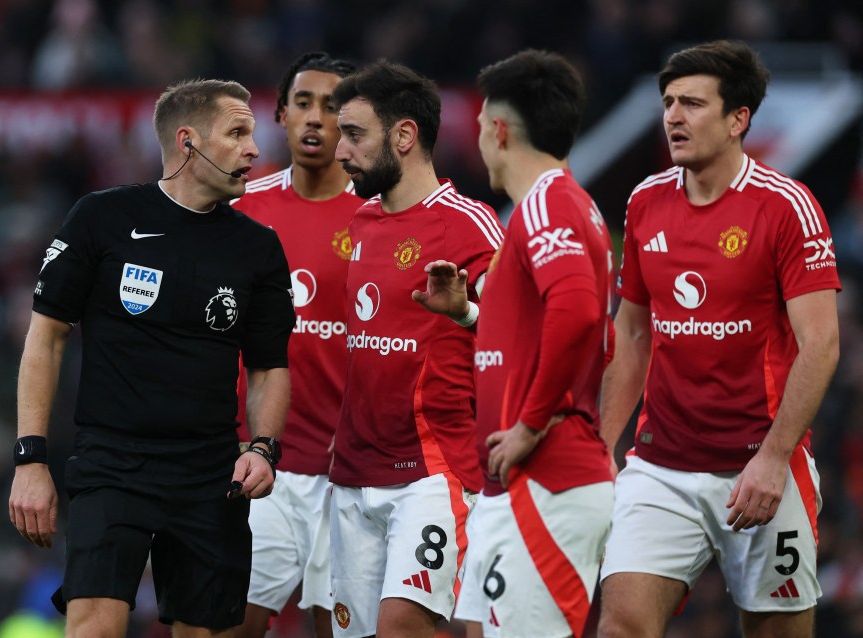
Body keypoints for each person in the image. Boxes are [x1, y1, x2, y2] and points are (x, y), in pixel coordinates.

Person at [7, 78, 295, 637]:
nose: (254, 150)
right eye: (237, 133)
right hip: (113, 461)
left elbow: (268, 366)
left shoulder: (257, 248)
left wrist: (263, 446)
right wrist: (30, 459)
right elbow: (45, 338)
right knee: (93, 625)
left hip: (211, 469)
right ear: (188, 142)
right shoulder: (101, 219)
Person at [597, 40, 841, 638]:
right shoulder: (645, 200)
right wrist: (599, 445)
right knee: (621, 624)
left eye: (693, 104)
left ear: (739, 120)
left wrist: (776, 456)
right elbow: (631, 336)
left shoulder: (787, 207)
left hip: (760, 464)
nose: (673, 117)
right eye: (669, 102)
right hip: (661, 466)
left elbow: (821, 344)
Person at [414, 49, 615, 638]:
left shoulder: (547, 204)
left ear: (499, 130)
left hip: (546, 476)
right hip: (516, 482)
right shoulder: (551, 206)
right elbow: (540, 325)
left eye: (479, 128)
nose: (477, 142)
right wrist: (471, 313)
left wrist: (530, 423)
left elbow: (576, 310)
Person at [327, 61, 504, 638]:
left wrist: (468, 312)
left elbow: (519, 340)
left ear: (403, 136)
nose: (340, 153)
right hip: (352, 473)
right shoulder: (360, 222)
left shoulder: (471, 226)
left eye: (354, 135)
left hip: (433, 473)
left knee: (402, 626)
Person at [230, 52, 363, 638]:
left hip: (355, 475)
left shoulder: (380, 216)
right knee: (230, 624)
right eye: (303, 103)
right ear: (279, 115)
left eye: (331, 107)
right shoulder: (240, 214)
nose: (315, 119)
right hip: (262, 464)